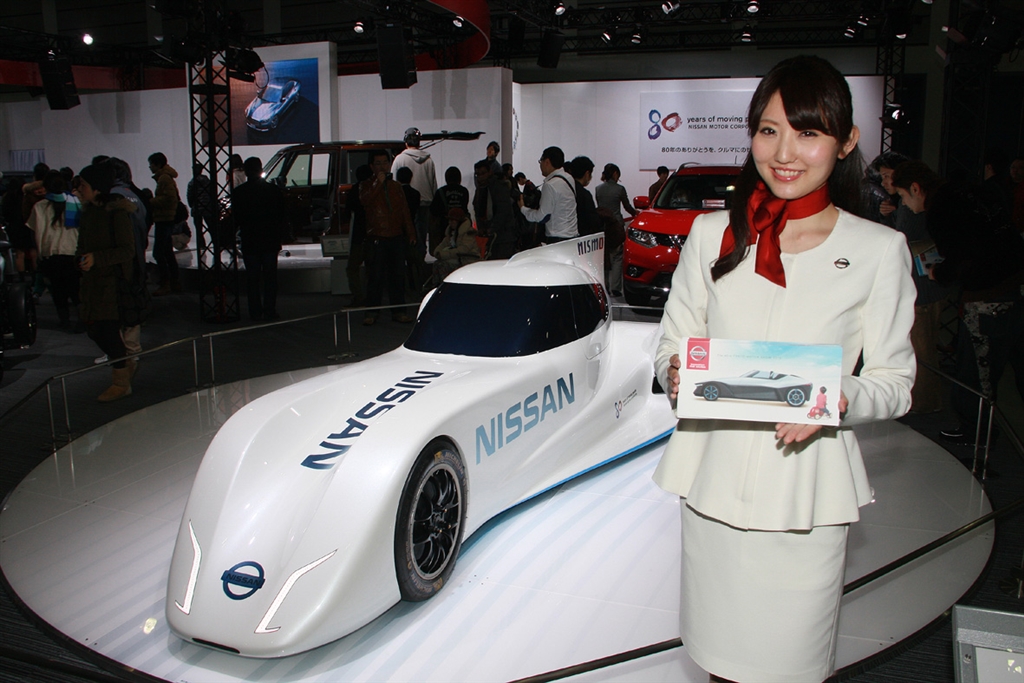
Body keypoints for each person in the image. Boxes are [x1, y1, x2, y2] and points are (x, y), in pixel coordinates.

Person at [654, 55, 916, 683]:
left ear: (846, 141)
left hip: (806, 498)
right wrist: (675, 373)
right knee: (716, 660)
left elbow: (896, 383)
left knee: (790, 664)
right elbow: (673, 342)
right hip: (712, 485)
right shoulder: (710, 234)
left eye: (808, 132)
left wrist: (835, 396)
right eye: (768, 130)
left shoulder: (879, 250)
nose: (784, 152)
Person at [888, 160, 949, 414]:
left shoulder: (934, 210)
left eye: (903, 196)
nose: (903, 202)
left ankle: (924, 405)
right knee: (921, 348)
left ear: (915, 188)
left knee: (922, 351)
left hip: (924, 289)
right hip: (925, 287)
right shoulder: (936, 205)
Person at [75, 163, 138, 401]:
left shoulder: (116, 213)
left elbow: (127, 250)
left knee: (107, 331)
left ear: (97, 187)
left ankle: (121, 381)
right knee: (95, 329)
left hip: (112, 285)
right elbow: (83, 244)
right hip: (93, 283)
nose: (80, 189)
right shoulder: (90, 212)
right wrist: (82, 259)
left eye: (83, 185)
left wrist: (98, 258)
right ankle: (124, 369)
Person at [361, 149, 416, 325]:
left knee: (397, 276)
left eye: (385, 162)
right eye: (378, 163)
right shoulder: (366, 185)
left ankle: (399, 311)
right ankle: (371, 312)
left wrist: (411, 232)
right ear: (372, 166)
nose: (382, 166)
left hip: (396, 236)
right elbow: (365, 201)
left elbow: (404, 211)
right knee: (375, 277)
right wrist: (378, 183)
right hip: (376, 236)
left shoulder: (396, 186)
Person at [232, 157, 286, 321]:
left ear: (246, 171)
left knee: (252, 279)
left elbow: (236, 218)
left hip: (250, 240)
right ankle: (269, 310)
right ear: (260, 170)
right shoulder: (273, 191)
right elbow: (281, 215)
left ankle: (255, 312)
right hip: (269, 240)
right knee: (270, 278)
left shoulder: (239, 193)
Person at [27, 170, 80, 330]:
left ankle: (65, 321)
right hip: (73, 252)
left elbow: (34, 231)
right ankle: (84, 321)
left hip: (50, 254)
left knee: (58, 292)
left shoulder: (40, 206)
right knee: (76, 291)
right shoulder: (76, 203)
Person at [391, 127, 437, 259]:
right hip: (425, 203)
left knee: (406, 234)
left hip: (405, 203)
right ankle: (420, 261)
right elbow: (433, 183)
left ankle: (408, 260)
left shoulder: (399, 159)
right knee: (421, 235)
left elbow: (393, 183)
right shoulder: (429, 160)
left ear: (406, 142)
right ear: (419, 142)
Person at [519, 146, 578, 243]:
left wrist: (523, 208)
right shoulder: (569, 178)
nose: (540, 165)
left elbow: (542, 217)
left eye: (540, 161)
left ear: (547, 162)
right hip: (572, 236)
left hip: (557, 238)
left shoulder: (550, 185)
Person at [595, 162, 637, 296]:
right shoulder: (620, 189)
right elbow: (627, 207)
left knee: (604, 257)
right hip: (616, 225)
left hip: (603, 226)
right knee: (617, 256)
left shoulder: (598, 189)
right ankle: (616, 287)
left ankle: (605, 286)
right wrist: (636, 213)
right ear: (615, 174)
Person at [147, 152, 181, 295]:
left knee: (159, 252)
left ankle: (166, 283)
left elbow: (169, 198)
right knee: (167, 252)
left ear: (158, 164)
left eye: (151, 164)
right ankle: (174, 283)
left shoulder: (164, 178)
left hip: (164, 219)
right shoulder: (166, 177)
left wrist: (151, 202)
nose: (150, 167)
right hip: (166, 218)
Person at [472, 158, 517, 259]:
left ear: (490, 172)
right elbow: (477, 209)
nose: (480, 177)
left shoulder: (499, 187)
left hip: (503, 236)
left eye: (483, 173)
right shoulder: (480, 189)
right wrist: (482, 228)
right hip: (489, 235)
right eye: (478, 174)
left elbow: (503, 211)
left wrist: (491, 229)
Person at [431, 207, 480, 286]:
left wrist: (444, 254)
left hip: (468, 259)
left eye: (453, 220)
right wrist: (437, 252)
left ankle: (445, 285)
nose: (450, 223)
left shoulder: (468, 233)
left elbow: (464, 249)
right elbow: (444, 244)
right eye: (449, 220)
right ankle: (438, 285)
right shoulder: (451, 233)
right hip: (457, 258)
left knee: (441, 265)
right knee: (437, 263)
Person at [429, 166, 470, 255]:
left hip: (444, 225)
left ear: (446, 178)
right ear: (459, 178)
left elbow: (433, 211)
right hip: (461, 225)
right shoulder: (464, 191)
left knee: (445, 249)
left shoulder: (440, 191)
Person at [187, 163, 218, 249]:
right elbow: (213, 193)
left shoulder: (192, 182)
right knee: (211, 227)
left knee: (199, 229)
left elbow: (190, 196)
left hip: (197, 208)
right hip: (208, 207)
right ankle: (216, 242)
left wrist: (192, 205)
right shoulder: (208, 181)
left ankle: (201, 245)